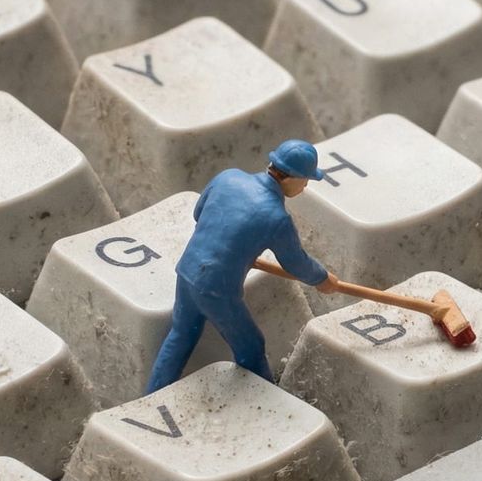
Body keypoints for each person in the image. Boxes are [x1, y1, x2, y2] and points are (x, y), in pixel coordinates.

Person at [145, 139, 339, 394]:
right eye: (305, 181)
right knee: (250, 346)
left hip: (187, 271)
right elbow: (295, 263)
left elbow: (199, 213)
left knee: (181, 335)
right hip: (217, 290)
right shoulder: (276, 218)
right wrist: (322, 279)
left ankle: (150, 395)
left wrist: (237, 248)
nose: (304, 188)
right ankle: (268, 404)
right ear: (291, 178)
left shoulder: (228, 177)